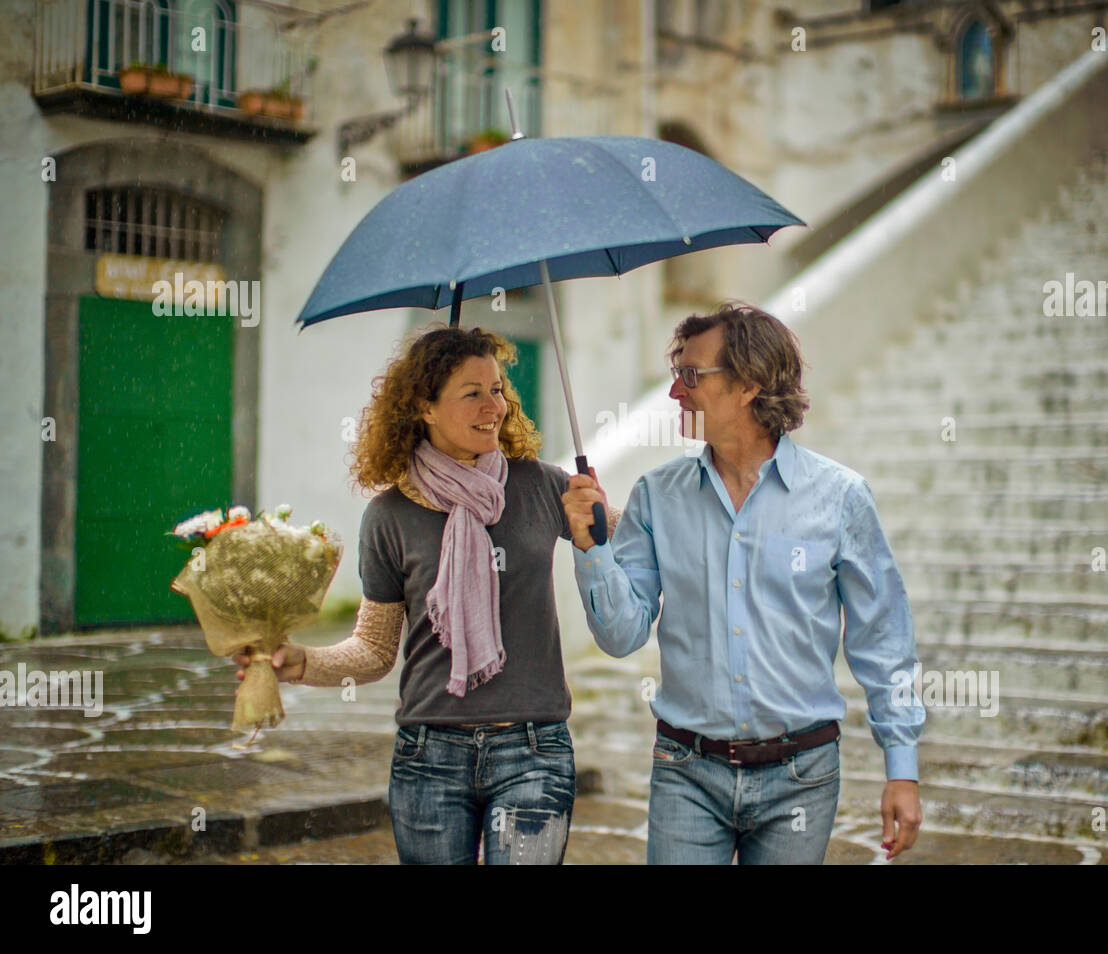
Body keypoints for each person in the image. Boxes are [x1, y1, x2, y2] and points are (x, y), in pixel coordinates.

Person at [562, 301, 926, 864]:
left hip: (802, 775)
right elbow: (621, 634)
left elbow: (883, 638)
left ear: (750, 385)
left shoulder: (840, 497)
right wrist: (591, 550)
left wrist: (901, 770)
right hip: (687, 772)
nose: (675, 393)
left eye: (691, 375)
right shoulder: (657, 495)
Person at [234, 325, 596, 864]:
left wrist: (598, 527)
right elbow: (376, 649)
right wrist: (300, 662)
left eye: (497, 389)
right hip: (431, 755)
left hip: (534, 750)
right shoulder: (388, 517)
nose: (492, 405)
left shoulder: (541, 485)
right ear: (424, 407)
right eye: (471, 393)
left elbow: (638, 541)